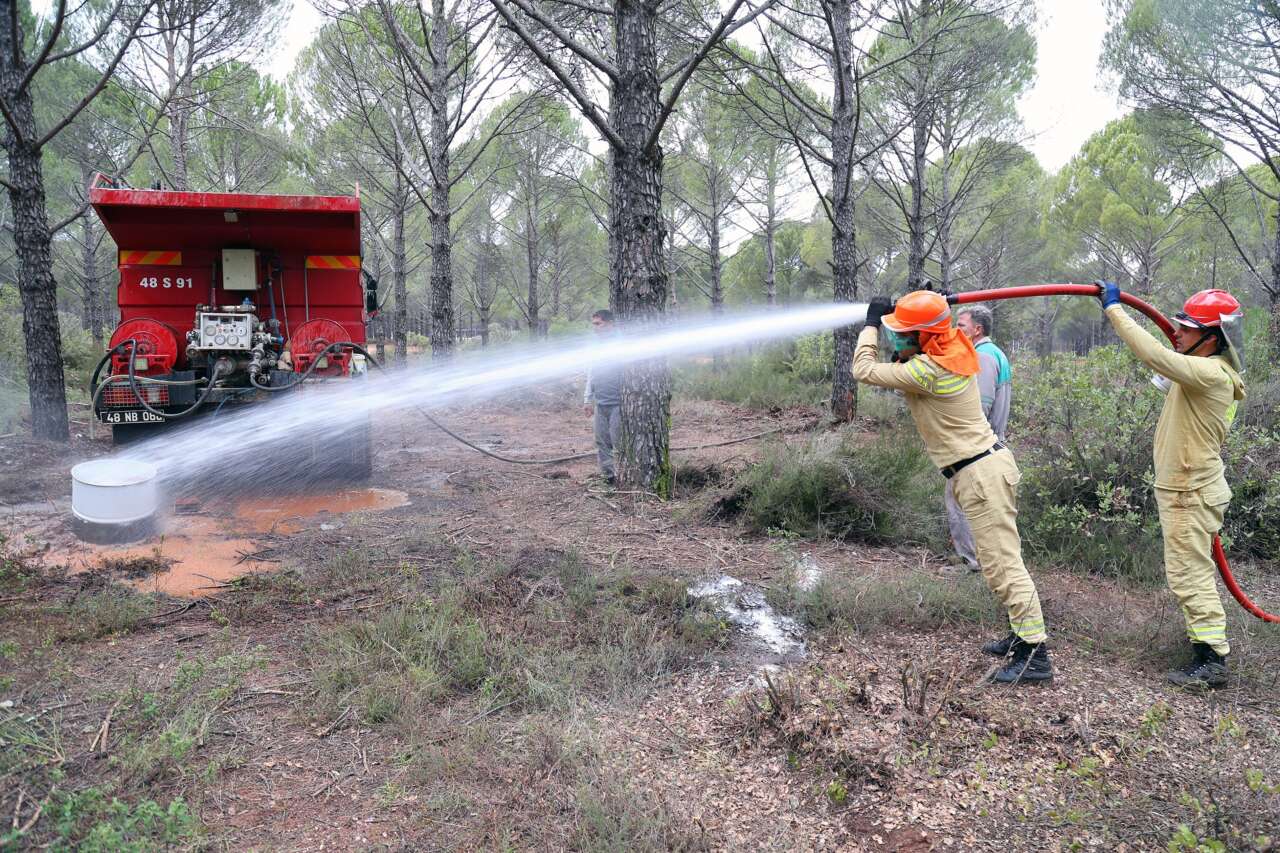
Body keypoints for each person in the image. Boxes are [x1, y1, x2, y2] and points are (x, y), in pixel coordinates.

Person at [854, 290, 1052, 684]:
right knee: (1000, 563)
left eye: (903, 334)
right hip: (980, 469)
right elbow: (938, 329)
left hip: (981, 474)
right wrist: (932, 305)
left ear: (925, 337)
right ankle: (1020, 636)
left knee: (1002, 565)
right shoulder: (952, 346)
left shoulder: (929, 370)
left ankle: (1035, 656)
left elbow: (863, 370)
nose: (897, 340)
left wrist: (872, 323)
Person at [1098, 282, 1246, 690]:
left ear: (1212, 338)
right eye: (1177, 325)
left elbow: (1153, 354)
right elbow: (1166, 364)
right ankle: (1206, 646)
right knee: (1189, 570)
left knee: (1188, 574)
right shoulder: (1203, 372)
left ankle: (1211, 659)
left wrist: (1114, 309)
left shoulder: (1211, 374)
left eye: (1187, 327)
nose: (1177, 332)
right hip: (1188, 488)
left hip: (1190, 492)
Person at [945, 305, 1012, 571]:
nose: (955, 331)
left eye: (961, 326)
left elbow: (980, 407)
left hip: (975, 450)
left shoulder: (982, 356)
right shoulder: (994, 353)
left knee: (959, 504)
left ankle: (970, 562)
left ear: (977, 329)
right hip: (988, 448)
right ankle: (984, 561)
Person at [584, 309, 622, 486]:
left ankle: (624, 476)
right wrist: (587, 399)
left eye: (598, 324)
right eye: (594, 324)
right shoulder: (595, 347)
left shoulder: (622, 343)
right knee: (602, 442)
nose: (595, 328)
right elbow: (591, 373)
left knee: (618, 442)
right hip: (600, 403)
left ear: (610, 324)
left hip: (618, 403)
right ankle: (608, 478)